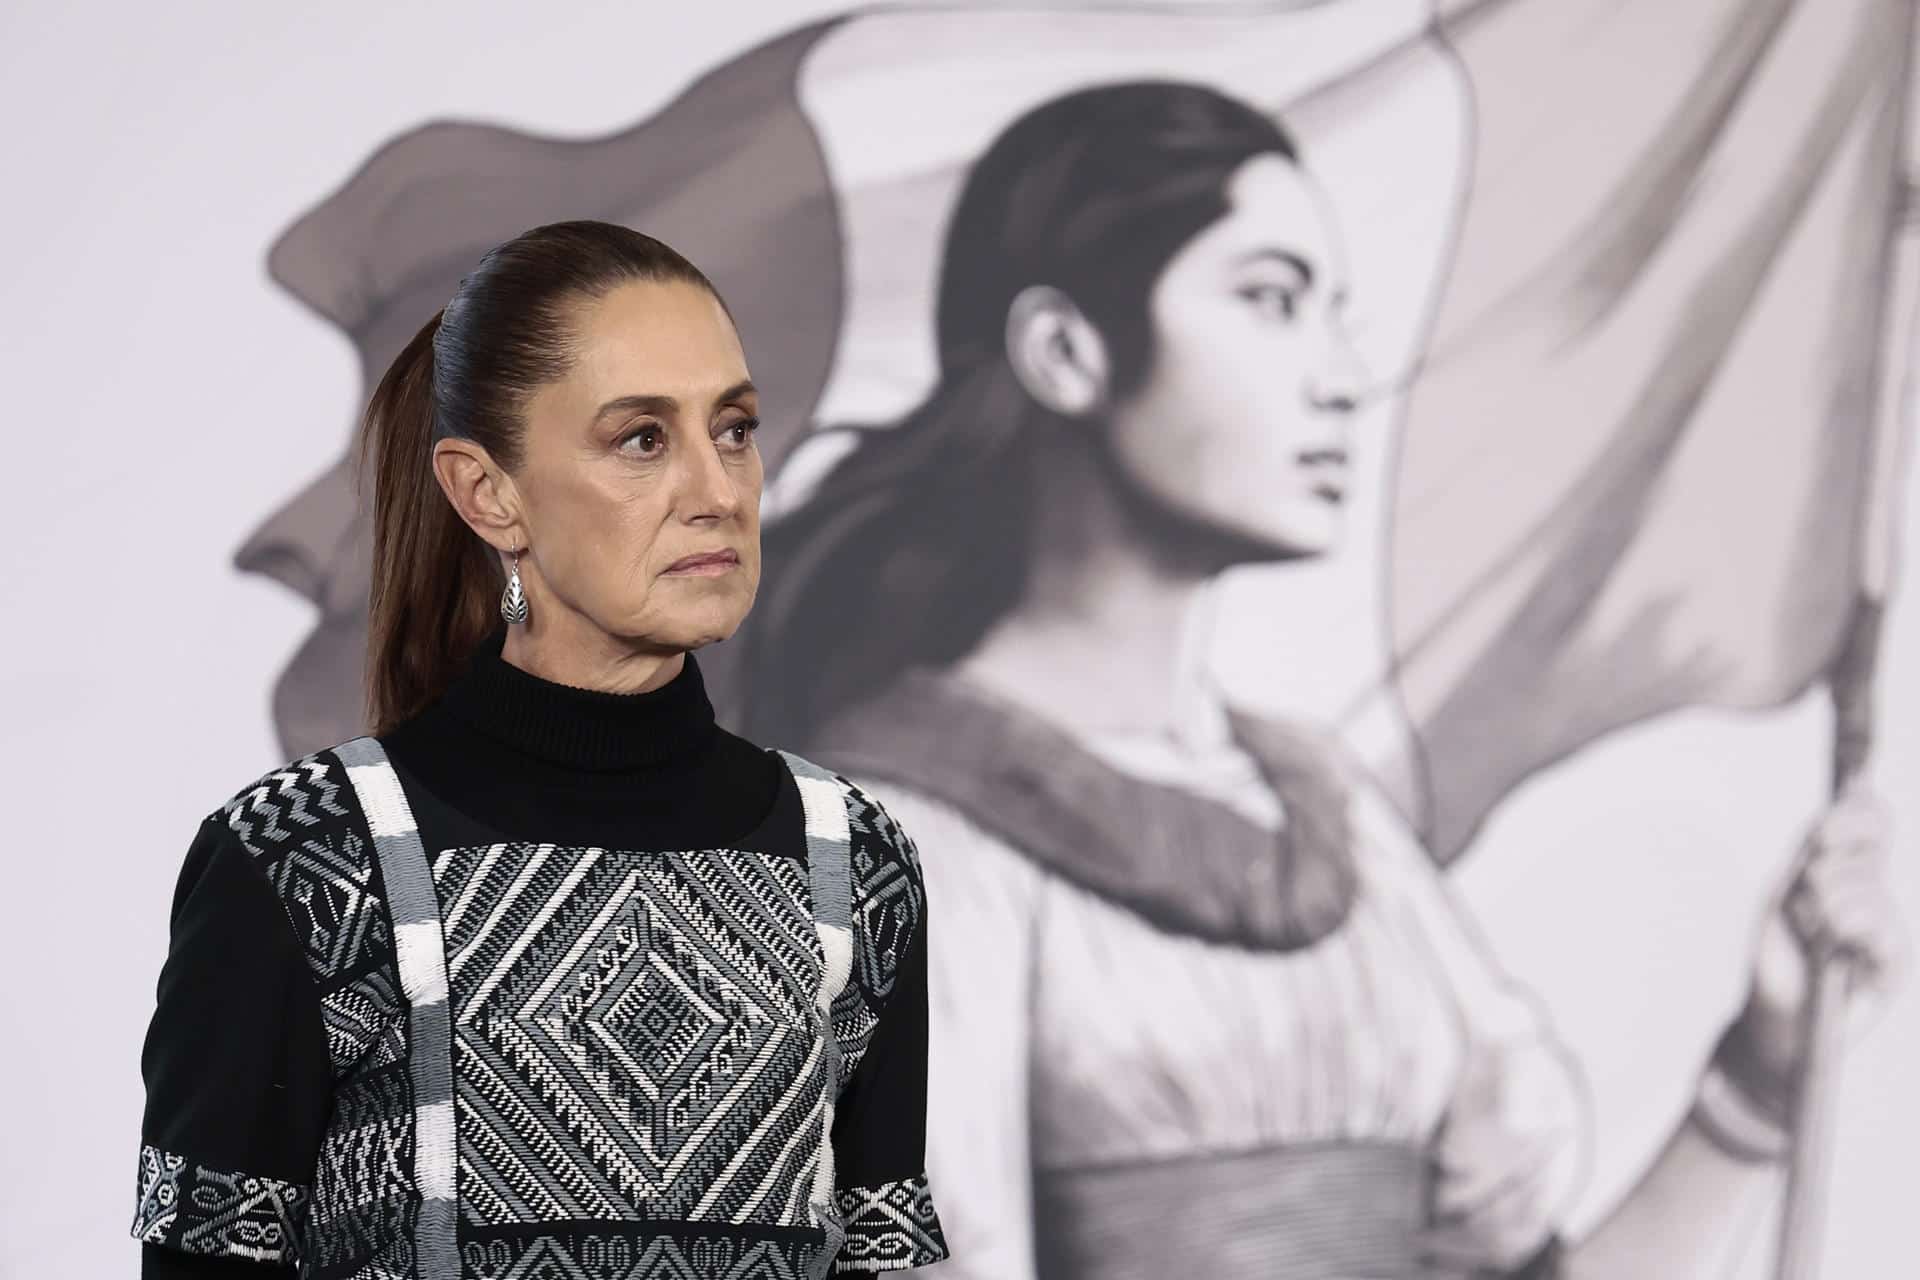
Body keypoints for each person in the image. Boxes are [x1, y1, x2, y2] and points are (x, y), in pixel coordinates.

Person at [744, 83, 1908, 1278]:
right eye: (1271, 300)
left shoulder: (1332, 817)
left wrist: (1759, 1078)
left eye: (1333, 313)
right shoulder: (902, 846)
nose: (1344, 376)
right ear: (1066, 350)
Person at [130, 222, 950, 1280]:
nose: (719, 488)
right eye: (643, 439)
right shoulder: (302, 858)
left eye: (735, 428)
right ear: (487, 492)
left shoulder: (854, 857)